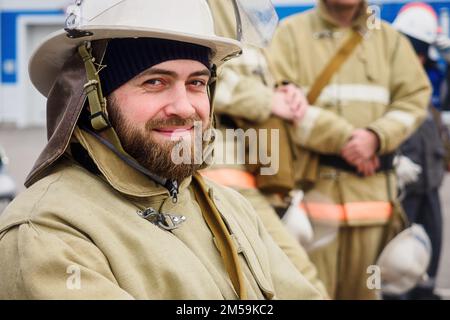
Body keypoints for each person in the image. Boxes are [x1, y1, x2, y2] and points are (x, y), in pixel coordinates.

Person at [0, 0, 324, 300]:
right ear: (95, 99)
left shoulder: (229, 207)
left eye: (196, 82)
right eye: (155, 82)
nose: (184, 107)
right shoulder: (47, 232)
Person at [268, 0, 431, 299]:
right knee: (310, 294)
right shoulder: (290, 35)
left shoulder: (389, 41)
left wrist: (376, 136)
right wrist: (345, 140)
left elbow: (415, 98)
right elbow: (278, 103)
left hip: (374, 211)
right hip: (309, 210)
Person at [204, 0, 328, 298]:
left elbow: (251, 69)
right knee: (301, 281)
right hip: (218, 173)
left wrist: (284, 88)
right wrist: (266, 100)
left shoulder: (246, 8)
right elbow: (188, 68)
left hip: (255, 173)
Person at [391, 2, 446, 300]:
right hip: (403, 184)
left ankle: (425, 293)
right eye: (417, 48)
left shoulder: (425, 78)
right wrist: (393, 161)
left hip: (429, 181)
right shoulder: (387, 78)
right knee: (398, 252)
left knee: (432, 246)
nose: (422, 56)